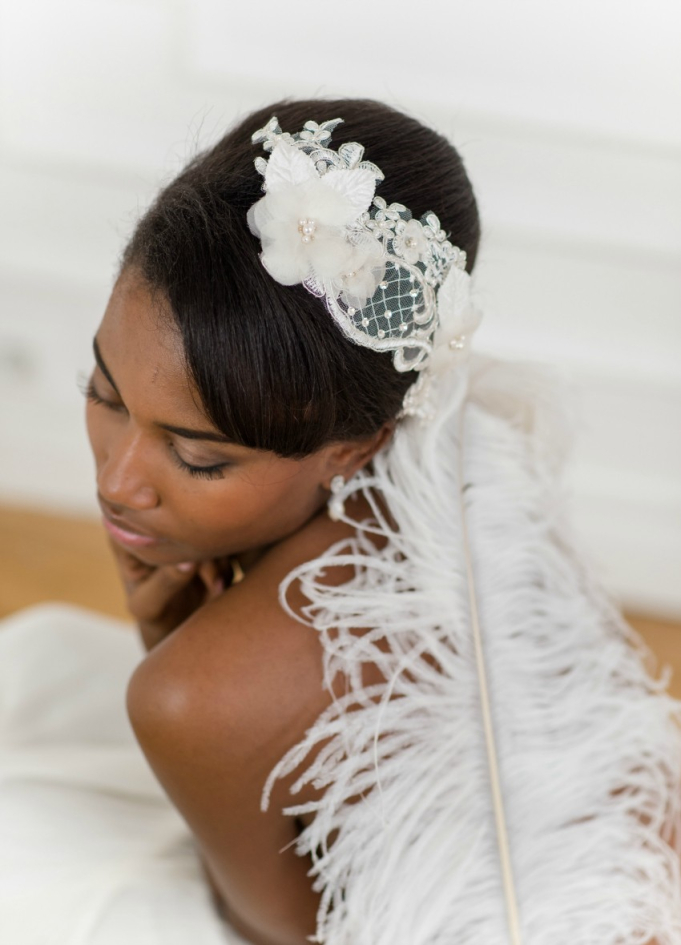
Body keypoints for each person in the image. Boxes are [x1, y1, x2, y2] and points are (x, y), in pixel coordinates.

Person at [1, 98, 680, 945]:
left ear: (355, 448)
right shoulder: (469, 455)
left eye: (199, 458)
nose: (118, 480)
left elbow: (276, 929)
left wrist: (170, 641)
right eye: (102, 392)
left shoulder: (196, 695)